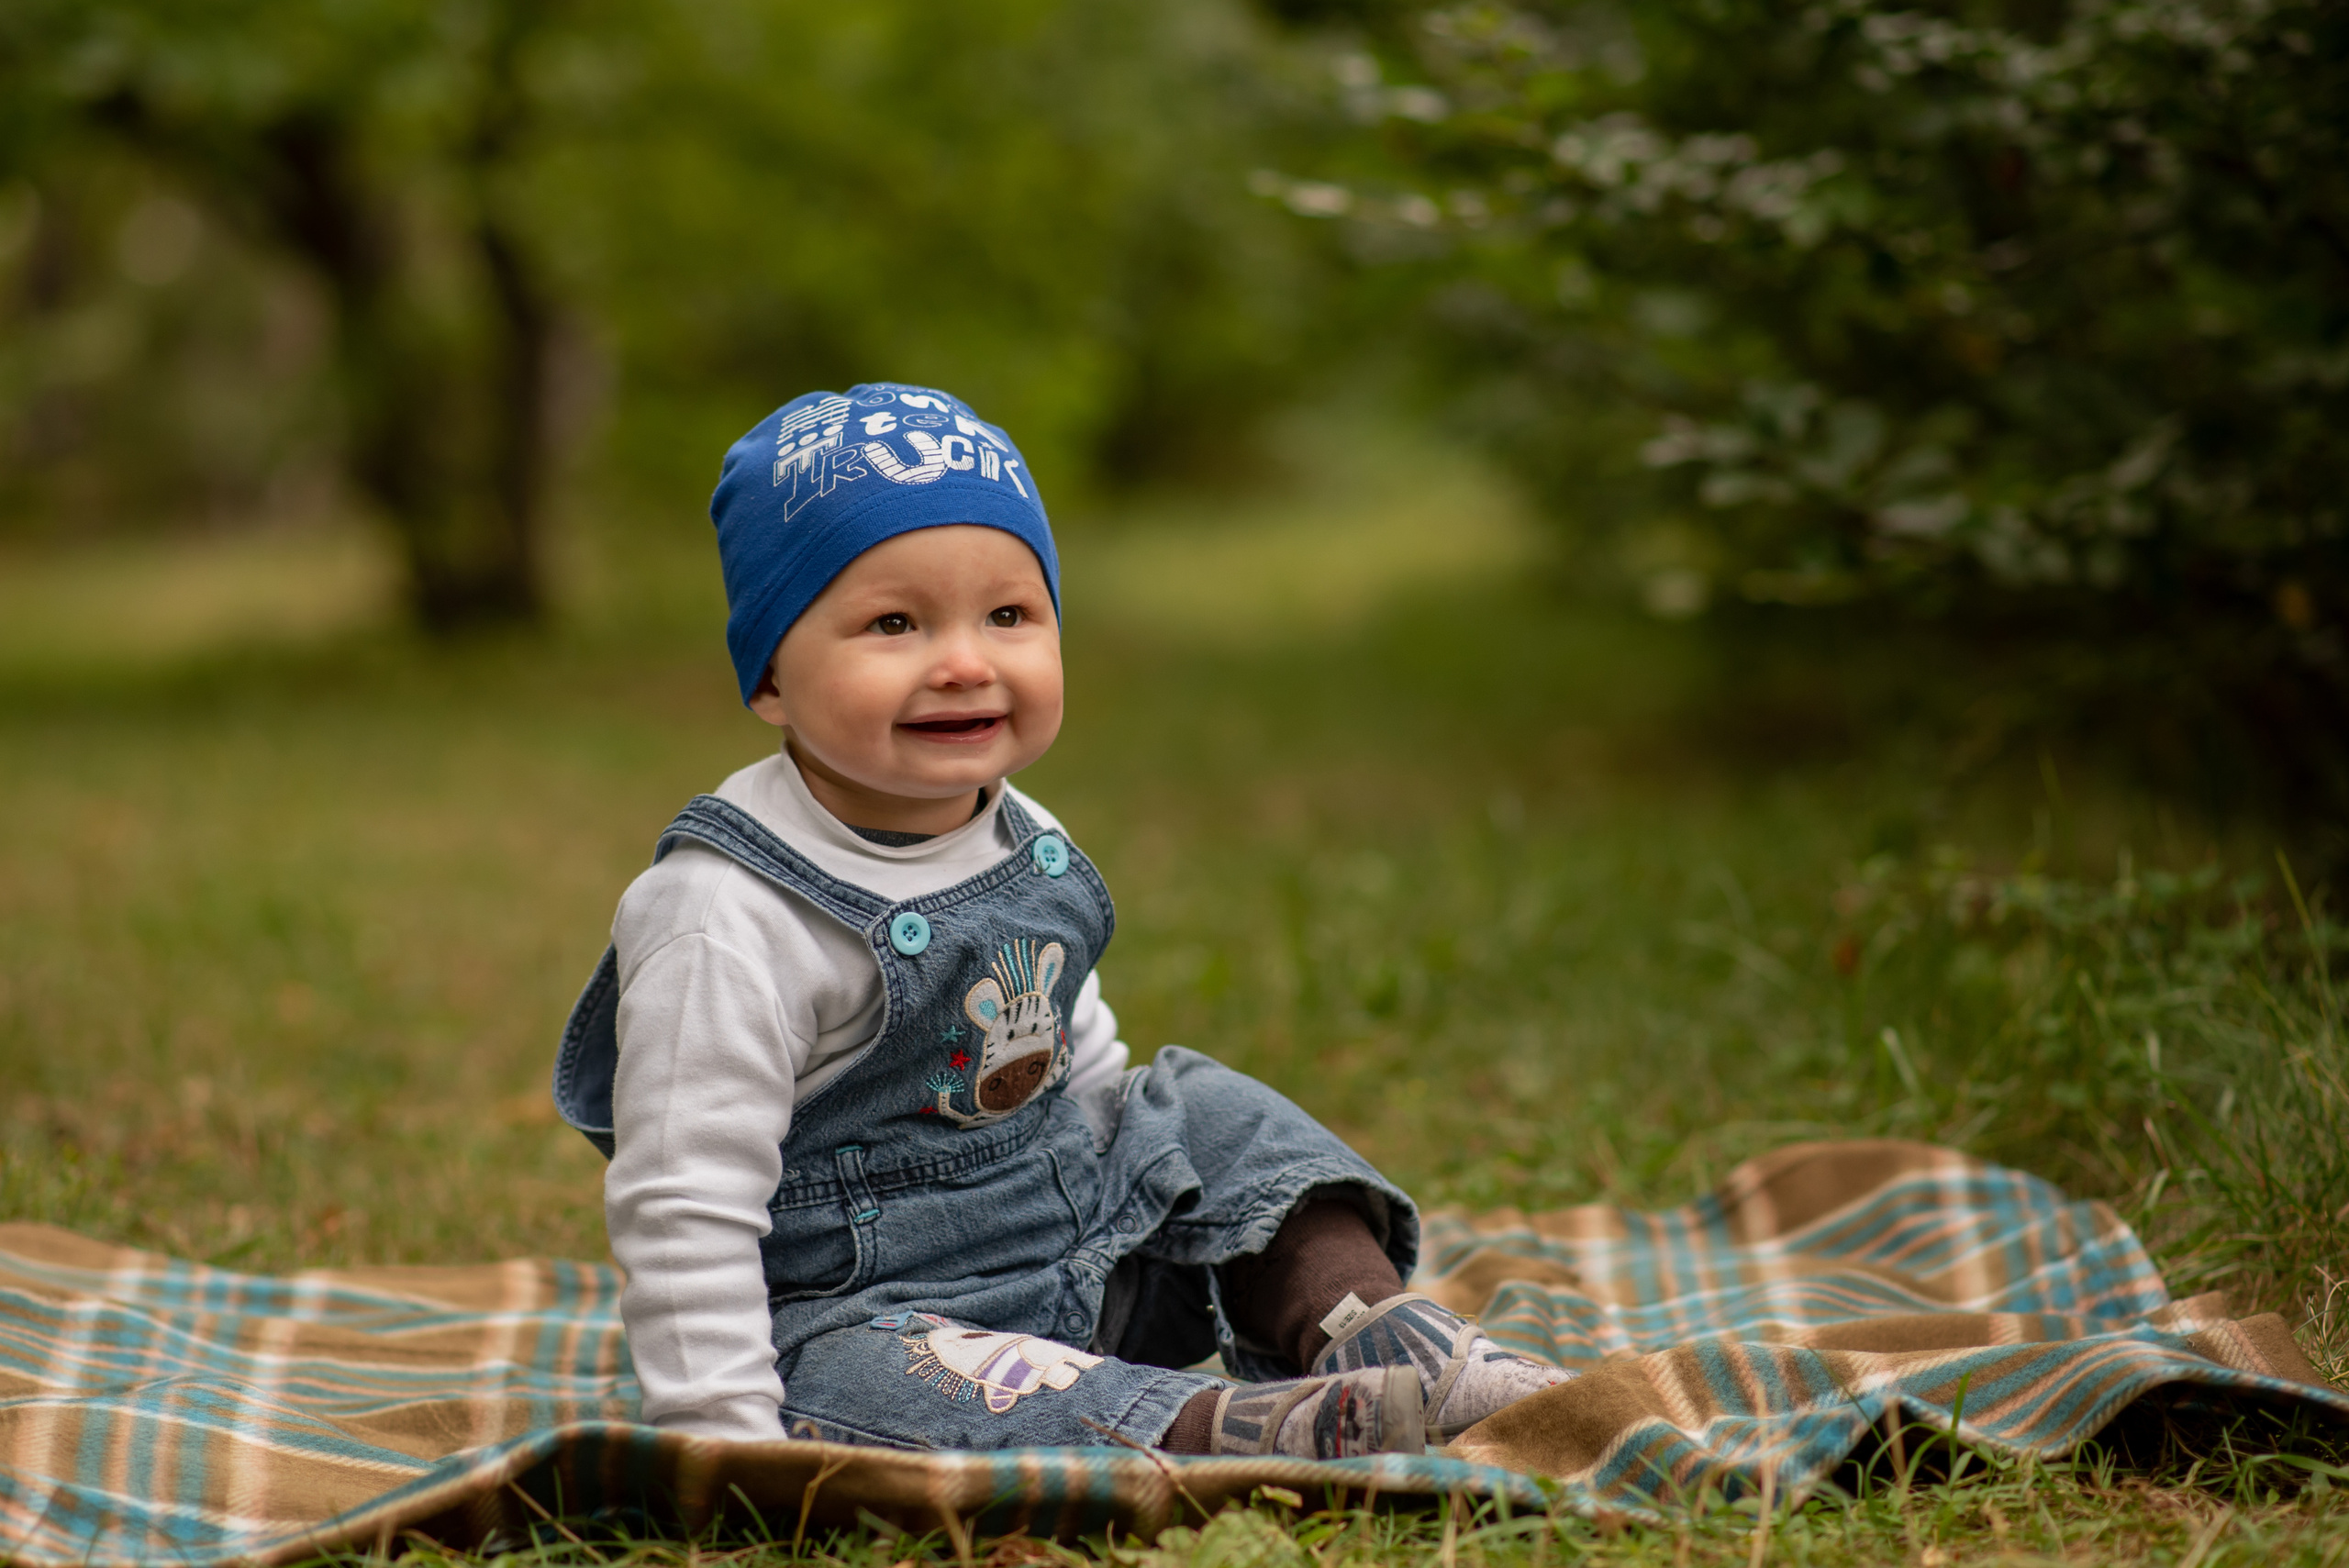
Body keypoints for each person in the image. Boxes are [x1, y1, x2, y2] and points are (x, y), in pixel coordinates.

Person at [553, 384, 1570, 1456]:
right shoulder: (725, 911)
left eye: (1008, 614)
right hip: (885, 1320)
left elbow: (1066, 1048)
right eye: (893, 623)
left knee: (1202, 1107)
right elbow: (685, 1196)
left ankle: (1379, 1333)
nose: (963, 660)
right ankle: (1227, 1427)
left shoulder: (1019, 829)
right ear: (769, 675)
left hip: (1082, 1264)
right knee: (854, 1375)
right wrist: (718, 1436)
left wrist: (1135, 1181)